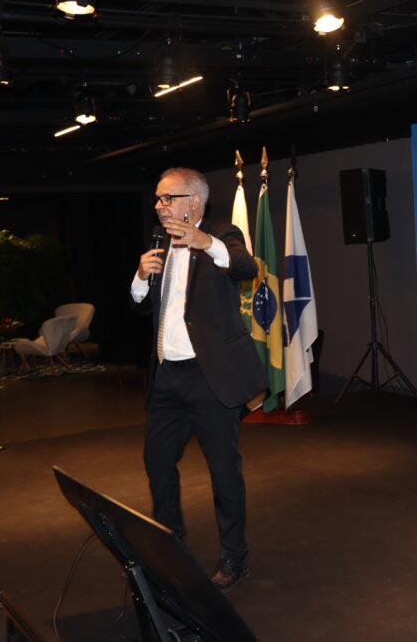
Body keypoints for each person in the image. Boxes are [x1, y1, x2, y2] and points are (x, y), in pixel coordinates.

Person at [131, 167, 267, 592]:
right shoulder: (158, 243)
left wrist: (204, 242)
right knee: (157, 462)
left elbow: (245, 267)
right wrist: (140, 278)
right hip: (167, 378)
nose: (159, 205)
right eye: (157, 198)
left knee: (224, 472)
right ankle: (170, 547)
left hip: (210, 379)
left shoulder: (223, 235)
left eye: (166, 198)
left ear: (193, 200)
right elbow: (142, 308)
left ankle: (234, 558)